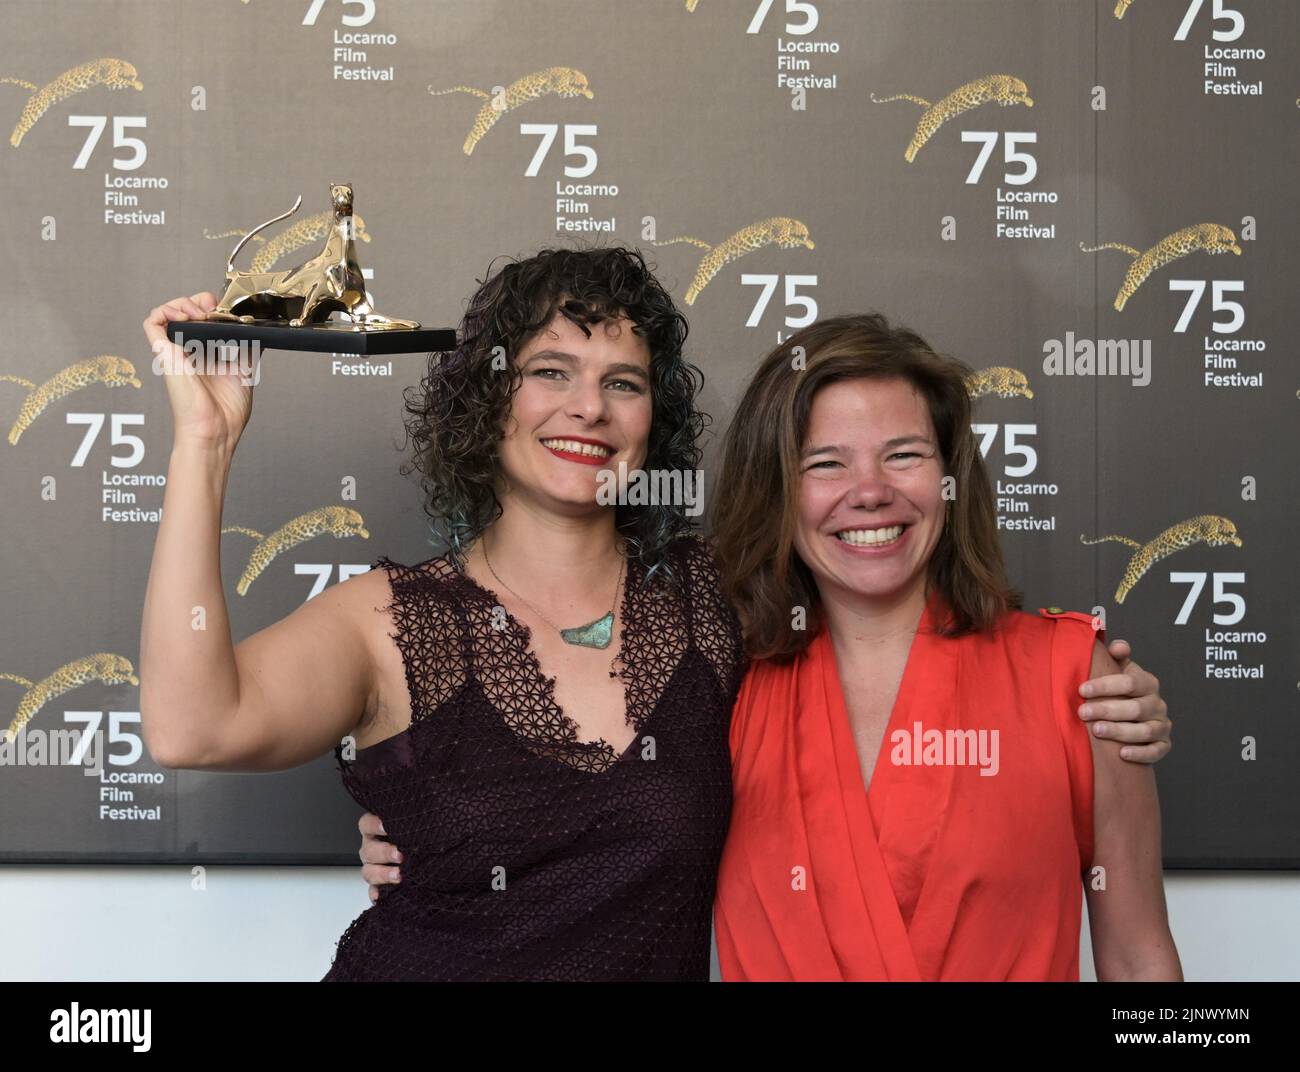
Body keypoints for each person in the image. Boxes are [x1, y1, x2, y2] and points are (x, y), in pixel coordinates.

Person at [141, 248, 1169, 982]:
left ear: (655, 422)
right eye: (550, 372)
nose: (586, 407)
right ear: (485, 403)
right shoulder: (389, 617)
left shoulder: (721, 606)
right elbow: (193, 724)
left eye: (622, 382)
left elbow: (893, 596)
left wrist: (1102, 691)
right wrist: (204, 443)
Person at [707, 314, 1181, 980]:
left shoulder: (1074, 678)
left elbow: (1138, 961)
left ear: (951, 479)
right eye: (825, 463)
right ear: (777, 492)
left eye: (904, 455)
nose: (870, 492)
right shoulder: (718, 686)